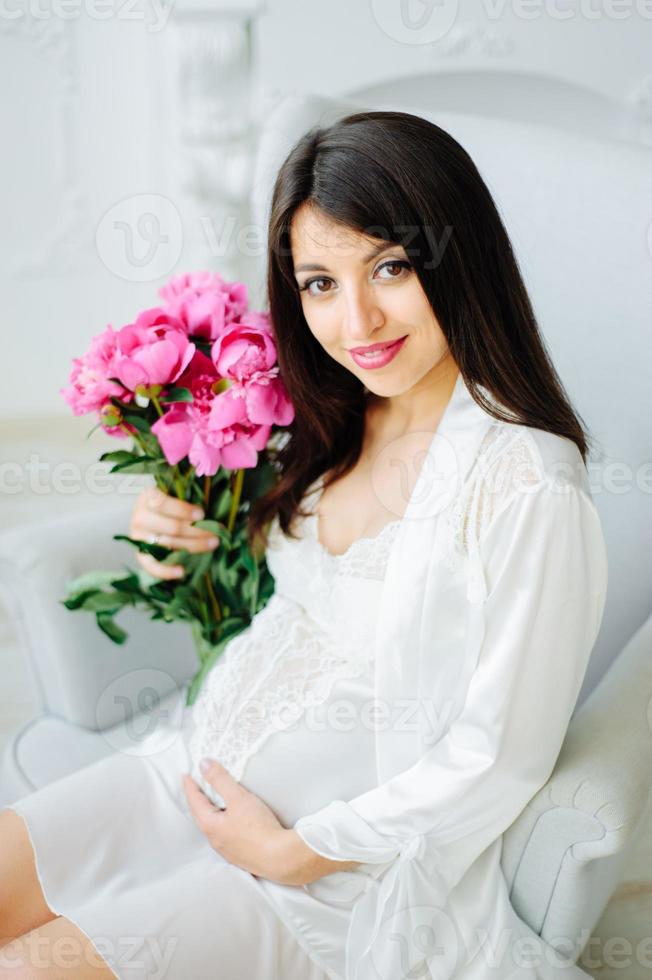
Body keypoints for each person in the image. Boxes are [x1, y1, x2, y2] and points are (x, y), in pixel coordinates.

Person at [0, 110, 608, 980]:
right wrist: (171, 540)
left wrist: (298, 852)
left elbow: (499, 754)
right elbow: (283, 591)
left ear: (459, 260)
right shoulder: (333, 413)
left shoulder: (526, 481)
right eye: (320, 282)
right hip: (185, 770)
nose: (356, 318)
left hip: (322, 879)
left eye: (390, 268)